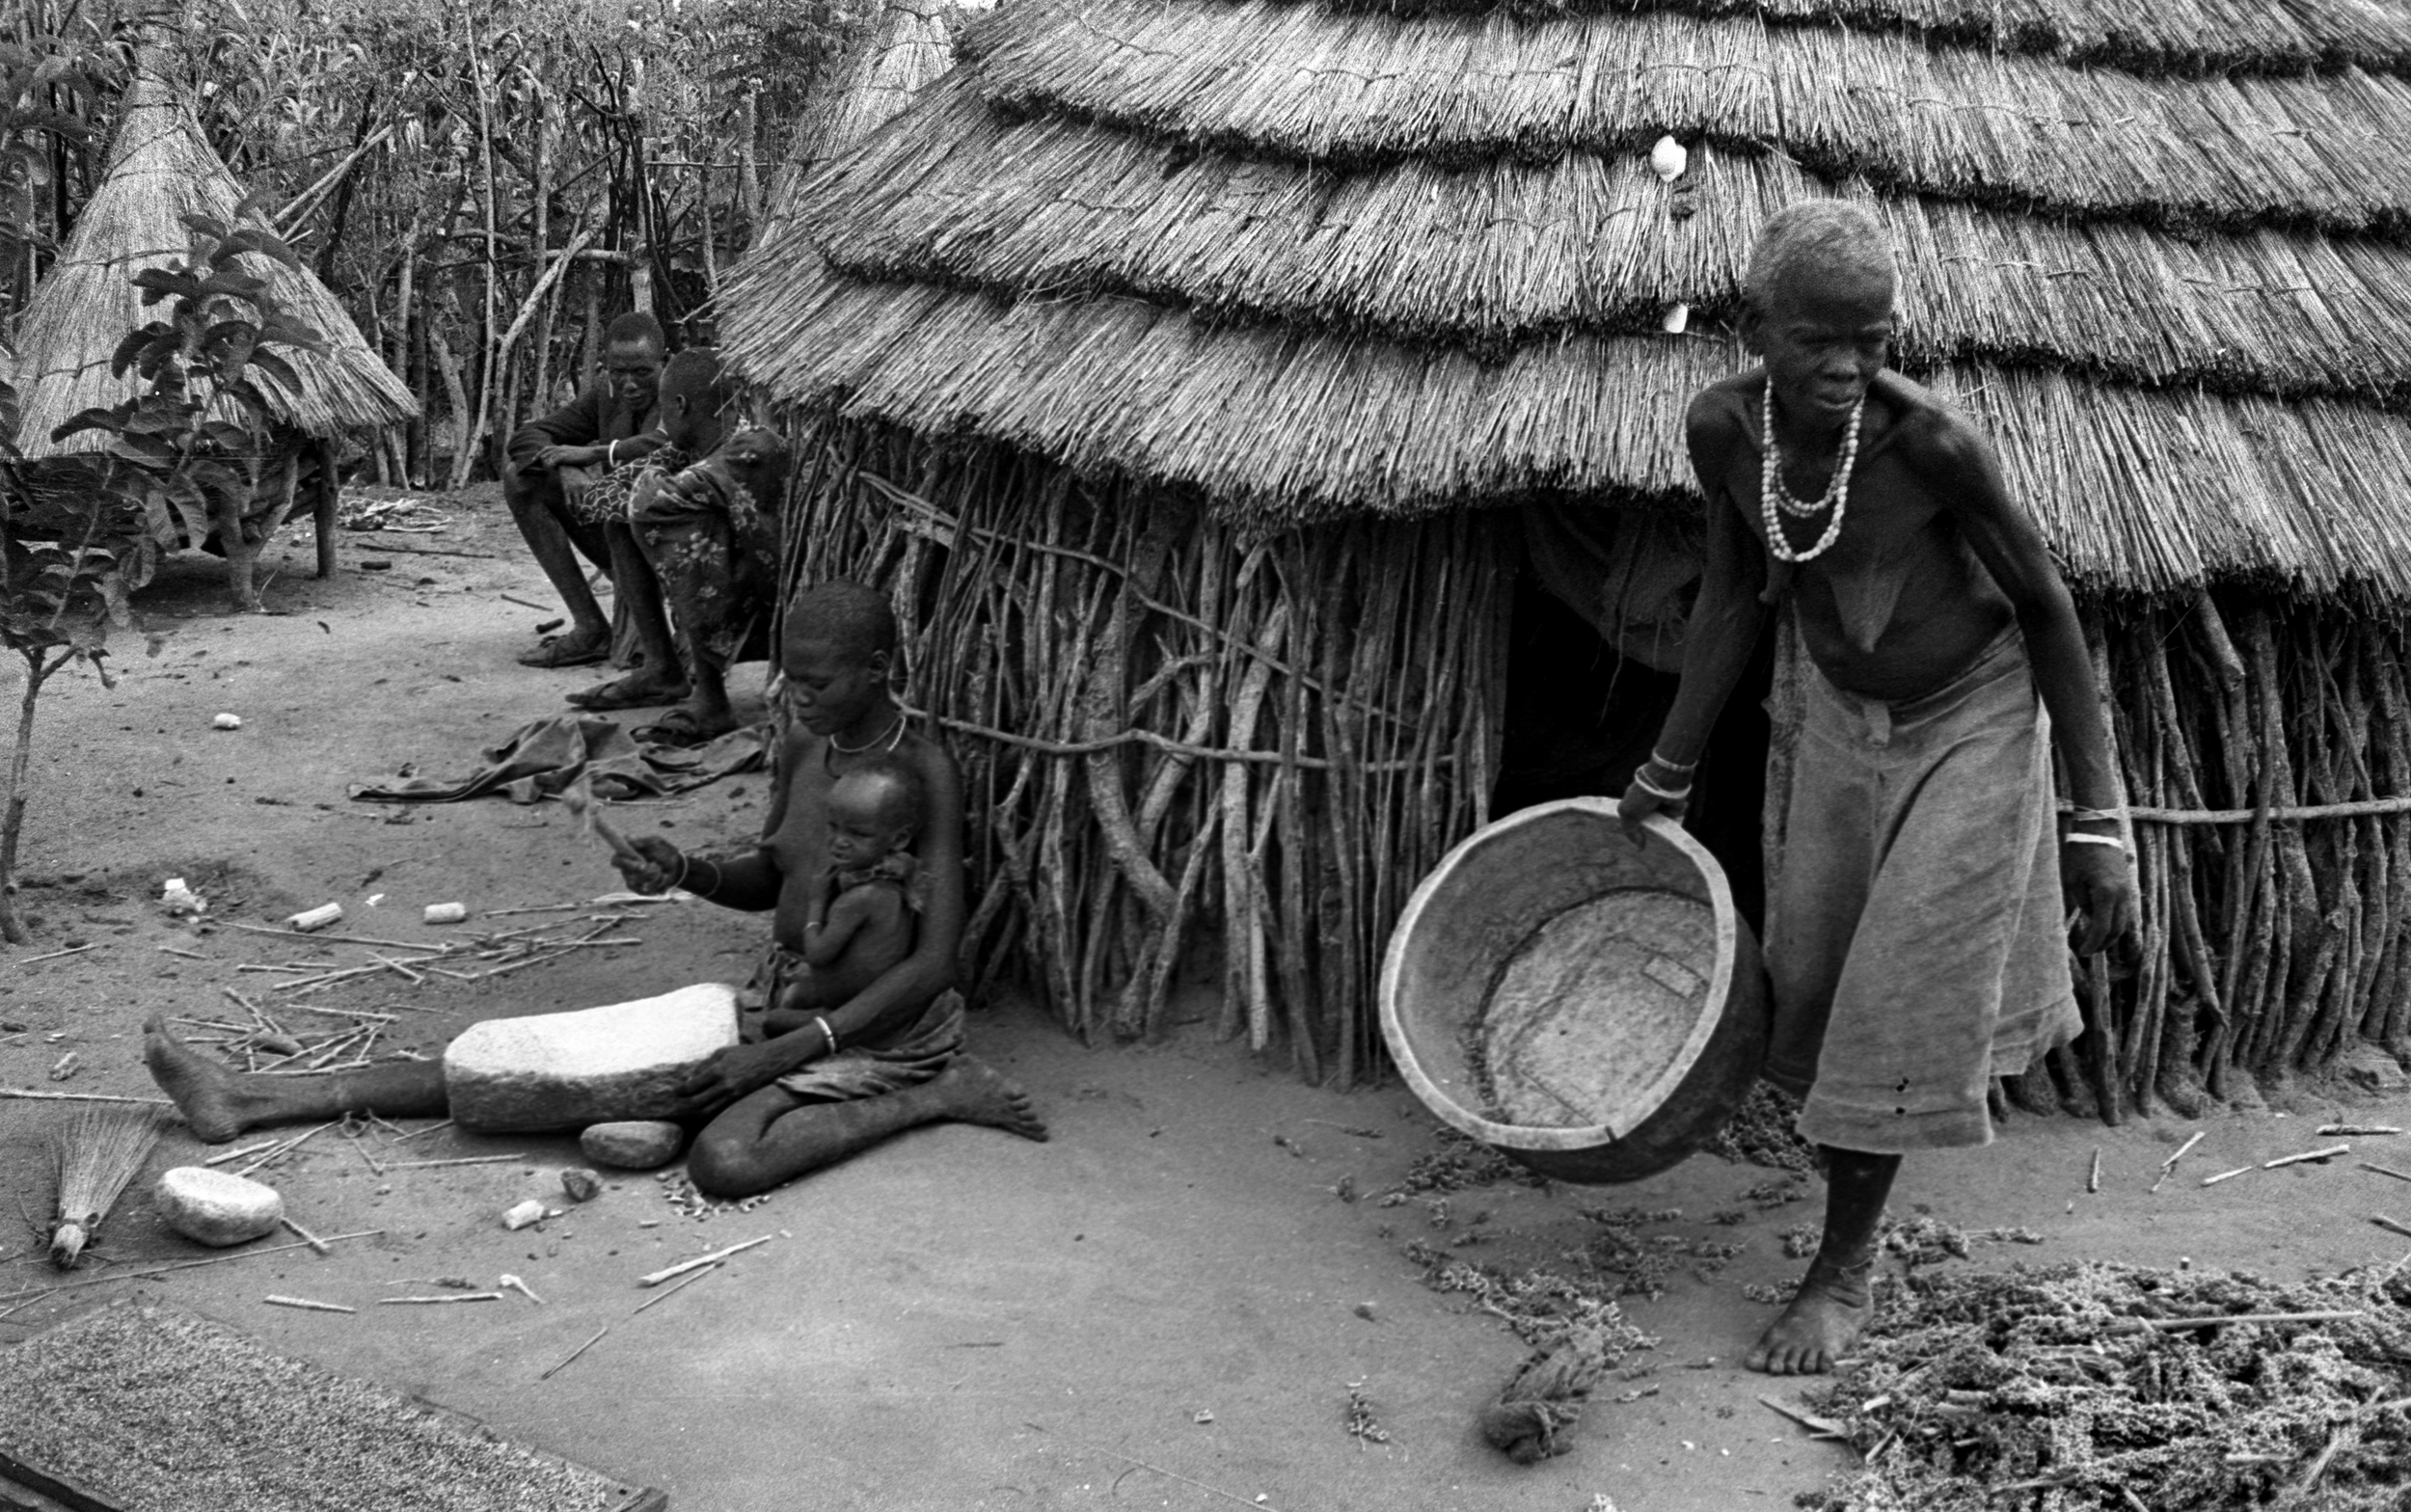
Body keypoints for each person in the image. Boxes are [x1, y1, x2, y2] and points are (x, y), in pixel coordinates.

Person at [1615, 201, 2137, 1376]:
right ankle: (1848, 1174)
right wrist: (1668, 763)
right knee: (1813, 972)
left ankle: (1842, 1266)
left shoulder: (1933, 447)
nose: (1849, 364)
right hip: (1836, 713)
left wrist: (2099, 822)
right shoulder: (1722, 431)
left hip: (1974, 717)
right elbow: (1732, 592)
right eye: (1817, 339)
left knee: (1899, 978)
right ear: (1757, 329)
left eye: (1874, 334)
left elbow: (2050, 611)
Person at [142, 581, 1046, 1197]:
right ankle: (253, 1099)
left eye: (814, 680)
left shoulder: (922, 773)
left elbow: (933, 964)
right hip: (781, 1009)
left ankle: (935, 1096)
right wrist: (684, 870)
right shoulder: (807, 743)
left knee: (726, 1163)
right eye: (785, 674)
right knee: (534, 1065)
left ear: (880, 670)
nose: (789, 694)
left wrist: (790, 1051)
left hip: (875, 1034)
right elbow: (777, 876)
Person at [503, 311, 673, 669]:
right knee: (520, 479)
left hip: (676, 545)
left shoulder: (685, 392)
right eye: (618, 372)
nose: (628, 384)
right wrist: (567, 466)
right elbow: (529, 436)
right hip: (621, 534)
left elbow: (661, 445)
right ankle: (590, 627)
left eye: (642, 372)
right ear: (606, 368)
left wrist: (596, 453)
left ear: (665, 361)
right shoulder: (605, 394)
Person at [762, 753, 926, 1023]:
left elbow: (817, 954)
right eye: (833, 827)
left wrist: (817, 900)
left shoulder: (863, 897)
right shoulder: (892, 878)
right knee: (794, 996)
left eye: (858, 834)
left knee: (774, 1021)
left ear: (900, 839)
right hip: (851, 995)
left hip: (852, 1009)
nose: (840, 842)